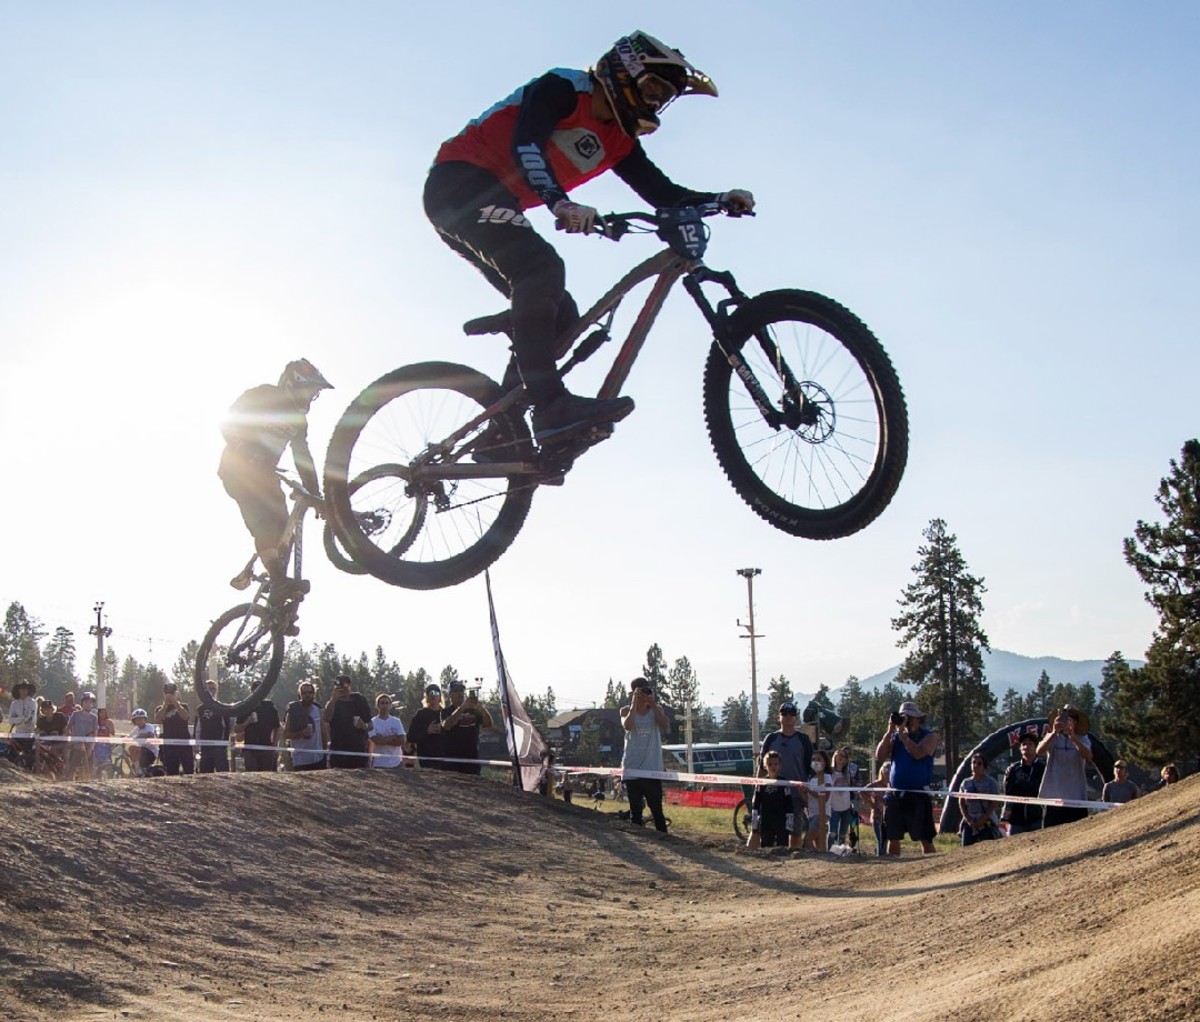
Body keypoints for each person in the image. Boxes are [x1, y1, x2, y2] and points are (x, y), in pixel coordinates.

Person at [424, 31, 754, 449]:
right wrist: (561, 204)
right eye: (652, 88)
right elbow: (527, 144)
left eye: (662, 98)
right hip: (459, 184)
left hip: (494, 201)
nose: (654, 103)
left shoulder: (620, 140)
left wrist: (719, 200)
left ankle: (500, 433)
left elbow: (663, 194)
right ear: (625, 70)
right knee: (541, 269)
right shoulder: (564, 88)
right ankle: (550, 407)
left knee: (561, 313)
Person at [218, 359, 332, 606]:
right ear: (293, 384)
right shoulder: (263, 395)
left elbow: (302, 456)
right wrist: (244, 450)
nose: (312, 398)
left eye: (315, 394)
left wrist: (315, 494)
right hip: (237, 467)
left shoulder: (299, 421)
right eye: (310, 391)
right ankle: (279, 580)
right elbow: (229, 422)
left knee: (285, 529)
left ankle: (276, 602)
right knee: (263, 521)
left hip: (266, 474)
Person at [875, 701, 939, 856]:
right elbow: (880, 756)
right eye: (904, 717)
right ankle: (895, 869)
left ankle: (934, 867)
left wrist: (904, 738)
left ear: (918, 719)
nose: (907, 721)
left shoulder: (929, 736)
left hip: (918, 794)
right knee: (893, 836)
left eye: (911, 717)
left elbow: (918, 753)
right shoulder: (895, 737)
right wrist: (890, 731)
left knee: (925, 838)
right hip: (896, 794)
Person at [757, 701, 814, 850]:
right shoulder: (771, 739)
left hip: (795, 794)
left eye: (791, 714)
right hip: (772, 793)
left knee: (795, 830)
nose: (788, 717)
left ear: (795, 717)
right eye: (784, 714)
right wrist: (758, 789)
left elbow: (810, 767)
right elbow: (761, 767)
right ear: (779, 717)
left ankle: (794, 857)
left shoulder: (803, 740)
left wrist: (807, 792)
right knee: (769, 828)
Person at [620, 678, 670, 832]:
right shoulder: (625, 710)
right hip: (632, 769)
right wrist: (634, 703)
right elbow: (628, 726)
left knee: (657, 811)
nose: (643, 694)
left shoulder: (656, 710)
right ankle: (639, 840)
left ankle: (664, 839)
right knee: (636, 812)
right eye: (640, 691)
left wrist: (653, 704)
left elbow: (666, 726)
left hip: (652, 768)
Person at [1037, 704, 1093, 828]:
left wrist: (1073, 737)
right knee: (1050, 835)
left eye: (1071, 718)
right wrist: (1053, 732)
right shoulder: (1052, 737)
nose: (1067, 721)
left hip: (1076, 798)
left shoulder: (1083, 738)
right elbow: (1039, 751)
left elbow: (1088, 756)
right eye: (1064, 717)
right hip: (1053, 797)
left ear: (1076, 722)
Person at [440, 679, 494, 775]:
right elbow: (446, 725)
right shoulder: (446, 711)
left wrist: (481, 708)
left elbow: (488, 724)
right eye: (456, 691)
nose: (460, 694)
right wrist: (462, 708)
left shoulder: (474, 710)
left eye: (461, 691)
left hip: (472, 761)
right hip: (452, 763)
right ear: (450, 695)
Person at [746, 750, 794, 850]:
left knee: (782, 845)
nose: (773, 766)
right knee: (766, 845)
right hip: (766, 820)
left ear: (780, 765)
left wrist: (789, 823)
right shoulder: (762, 783)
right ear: (765, 766)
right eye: (770, 764)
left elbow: (789, 803)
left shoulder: (784, 782)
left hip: (781, 819)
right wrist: (755, 823)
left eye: (776, 764)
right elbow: (756, 803)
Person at [322, 675, 372, 769]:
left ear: (349, 686)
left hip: (358, 751)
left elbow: (371, 725)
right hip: (338, 752)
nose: (342, 690)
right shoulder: (332, 703)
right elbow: (326, 718)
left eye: (345, 687)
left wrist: (364, 726)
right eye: (339, 687)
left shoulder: (359, 700)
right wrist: (333, 700)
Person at [958, 753, 1002, 847]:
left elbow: (994, 803)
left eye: (979, 763)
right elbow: (961, 803)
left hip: (986, 821)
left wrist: (983, 818)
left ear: (984, 766)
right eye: (973, 762)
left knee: (987, 848)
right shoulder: (965, 782)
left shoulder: (991, 782)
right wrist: (968, 819)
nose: (975, 765)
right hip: (970, 821)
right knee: (966, 848)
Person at [284, 680, 327, 771]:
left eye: (310, 692)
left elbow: (323, 733)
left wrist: (325, 753)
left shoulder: (318, 710)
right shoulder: (293, 711)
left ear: (314, 693)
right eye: (304, 693)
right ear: (300, 694)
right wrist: (301, 733)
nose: (307, 695)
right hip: (301, 760)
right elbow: (286, 734)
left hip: (318, 758)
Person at [154, 682, 193, 777]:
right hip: (169, 743)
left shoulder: (184, 706)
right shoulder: (160, 708)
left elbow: (185, 717)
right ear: (164, 694)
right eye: (168, 693)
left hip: (184, 742)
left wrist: (176, 704)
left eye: (172, 693)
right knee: (171, 772)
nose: (170, 696)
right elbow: (158, 719)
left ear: (176, 694)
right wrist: (165, 705)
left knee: (189, 770)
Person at [233, 698, 281, 773]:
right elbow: (236, 729)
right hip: (250, 749)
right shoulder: (245, 706)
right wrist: (247, 722)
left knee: (267, 775)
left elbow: (277, 728)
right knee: (251, 775)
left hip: (266, 748)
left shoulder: (269, 707)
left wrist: (274, 746)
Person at [193, 679, 231, 774]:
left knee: (223, 775)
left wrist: (224, 744)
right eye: (209, 688)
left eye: (213, 689)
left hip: (219, 747)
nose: (211, 691)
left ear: (216, 690)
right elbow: (198, 728)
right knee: (205, 775)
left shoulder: (221, 707)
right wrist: (197, 745)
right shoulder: (200, 709)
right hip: (205, 747)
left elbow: (226, 727)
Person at [408, 684, 448, 769]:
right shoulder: (420, 714)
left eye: (436, 693)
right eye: (430, 693)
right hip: (426, 760)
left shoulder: (447, 713)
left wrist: (443, 730)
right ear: (426, 697)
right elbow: (410, 736)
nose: (433, 695)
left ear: (440, 697)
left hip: (446, 760)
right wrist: (427, 731)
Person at [827, 747, 856, 852]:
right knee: (832, 832)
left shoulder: (847, 773)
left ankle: (840, 852)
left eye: (843, 756)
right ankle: (829, 851)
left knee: (842, 833)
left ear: (846, 760)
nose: (840, 758)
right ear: (834, 757)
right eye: (838, 755)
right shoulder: (829, 772)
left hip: (846, 806)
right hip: (833, 806)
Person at [65, 691, 98, 781]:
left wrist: (91, 747)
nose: (88, 704)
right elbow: (68, 728)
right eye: (86, 702)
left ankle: (89, 780)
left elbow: (95, 733)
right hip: (76, 745)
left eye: (90, 702)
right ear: (82, 703)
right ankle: (69, 781)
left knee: (90, 768)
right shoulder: (75, 714)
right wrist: (72, 740)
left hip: (88, 745)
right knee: (72, 766)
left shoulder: (94, 717)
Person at [367, 694, 407, 769]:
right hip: (379, 764)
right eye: (382, 703)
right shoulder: (372, 722)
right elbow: (376, 740)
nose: (385, 705)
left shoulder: (396, 721)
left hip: (397, 763)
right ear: (377, 705)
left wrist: (383, 739)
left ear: (390, 705)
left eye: (387, 703)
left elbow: (402, 741)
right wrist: (393, 737)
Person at [860, 763, 891, 857]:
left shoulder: (893, 785)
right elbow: (862, 791)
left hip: (890, 816)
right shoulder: (875, 784)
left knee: (886, 839)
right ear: (881, 771)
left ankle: (884, 855)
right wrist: (871, 805)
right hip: (877, 816)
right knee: (880, 839)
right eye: (885, 770)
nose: (887, 773)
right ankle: (881, 856)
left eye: (889, 770)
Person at [803, 750, 832, 852]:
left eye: (818, 759)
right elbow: (808, 799)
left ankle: (815, 855)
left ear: (824, 762)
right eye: (813, 759)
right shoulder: (810, 779)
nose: (815, 762)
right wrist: (801, 791)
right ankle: (822, 858)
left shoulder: (827, 777)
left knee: (807, 841)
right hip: (811, 813)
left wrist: (809, 791)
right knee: (819, 843)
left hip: (822, 813)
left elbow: (825, 798)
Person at [5, 681, 38, 769]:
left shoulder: (33, 702)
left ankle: (29, 772)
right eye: (21, 688)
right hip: (18, 733)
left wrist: (20, 719)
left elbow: (31, 718)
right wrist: (21, 718)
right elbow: (11, 720)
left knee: (29, 756)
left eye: (25, 688)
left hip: (29, 734)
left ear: (28, 690)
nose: (23, 691)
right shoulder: (14, 704)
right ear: (18, 690)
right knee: (12, 755)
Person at [125, 709, 160, 777]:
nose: (139, 721)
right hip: (142, 751)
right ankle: (137, 770)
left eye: (141, 719)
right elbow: (129, 736)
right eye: (137, 720)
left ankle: (138, 770)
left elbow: (150, 734)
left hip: (151, 752)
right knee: (129, 751)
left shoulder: (149, 726)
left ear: (145, 719)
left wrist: (139, 736)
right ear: (134, 721)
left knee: (133, 748)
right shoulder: (136, 728)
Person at [93, 707, 116, 779]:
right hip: (97, 745)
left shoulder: (109, 722)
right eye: (101, 713)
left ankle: (110, 777)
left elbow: (113, 733)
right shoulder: (95, 721)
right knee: (97, 763)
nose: (103, 714)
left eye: (104, 712)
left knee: (107, 762)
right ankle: (97, 777)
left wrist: (108, 726)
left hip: (106, 745)